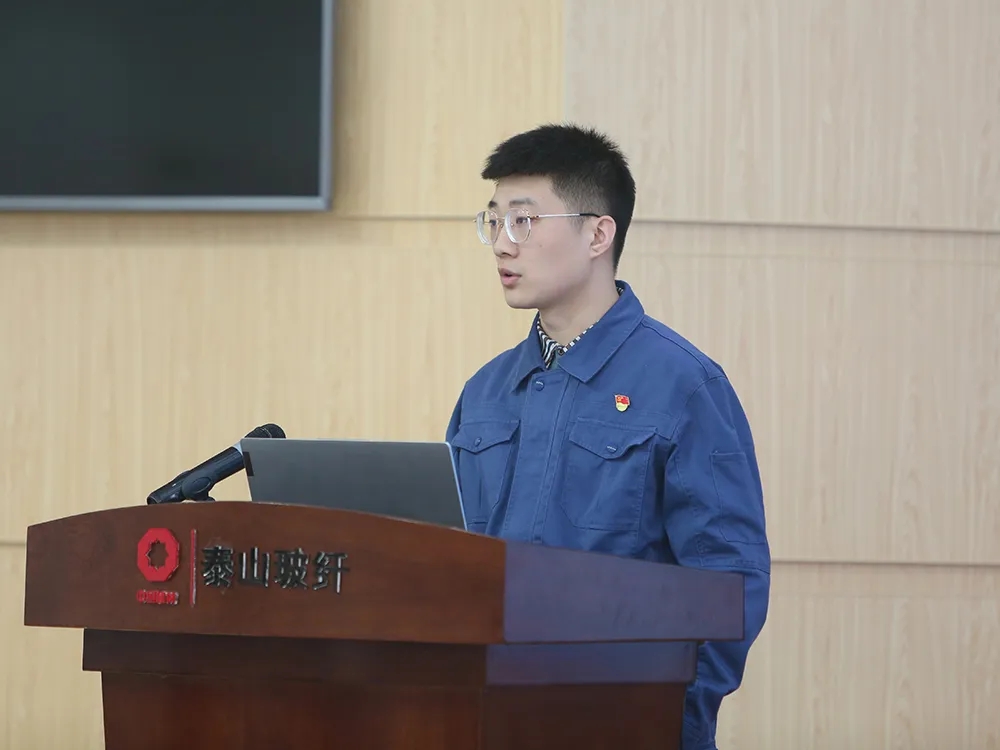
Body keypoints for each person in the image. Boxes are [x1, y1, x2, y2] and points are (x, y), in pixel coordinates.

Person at [445, 123, 770, 750]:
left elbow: (729, 584)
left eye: (524, 221)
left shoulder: (684, 385)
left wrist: (665, 716)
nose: (502, 244)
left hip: (625, 724)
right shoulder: (484, 392)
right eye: (493, 221)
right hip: (483, 720)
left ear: (598, 234)